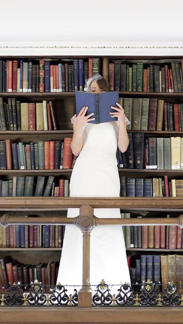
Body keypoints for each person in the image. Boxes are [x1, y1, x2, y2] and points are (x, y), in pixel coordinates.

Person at [57, 74, 131, 290]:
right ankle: (73, 287)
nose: (95, 93)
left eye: (98, 90)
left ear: (106, 92)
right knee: (79, 223)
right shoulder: (79, 117)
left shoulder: (116, 117)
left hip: (107, 173)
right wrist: (78, 126)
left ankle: (113, 287)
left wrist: (121, 121)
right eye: (91, 91)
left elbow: (124, 147)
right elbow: (76, 150)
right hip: (85, 173)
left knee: (107, 223)